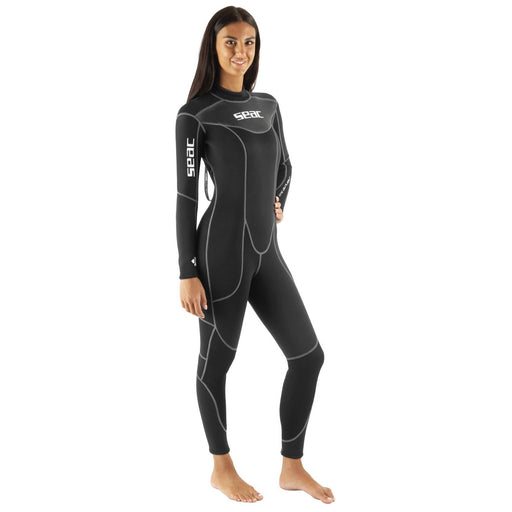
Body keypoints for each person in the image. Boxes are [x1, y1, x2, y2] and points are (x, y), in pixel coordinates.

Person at [175, 6, 335, 504]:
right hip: (219, 253)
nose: (240, 51)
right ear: (213, 47)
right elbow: (184, 197)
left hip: (267, 254)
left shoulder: (268, 104)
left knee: (308, 357)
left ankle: (292, 467)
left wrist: (278, 199)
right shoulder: (195, 114)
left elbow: (285, 165)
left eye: (249, 42)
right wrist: (186, 271)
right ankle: (221, 468)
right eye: (230, 42)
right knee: (217, 363)